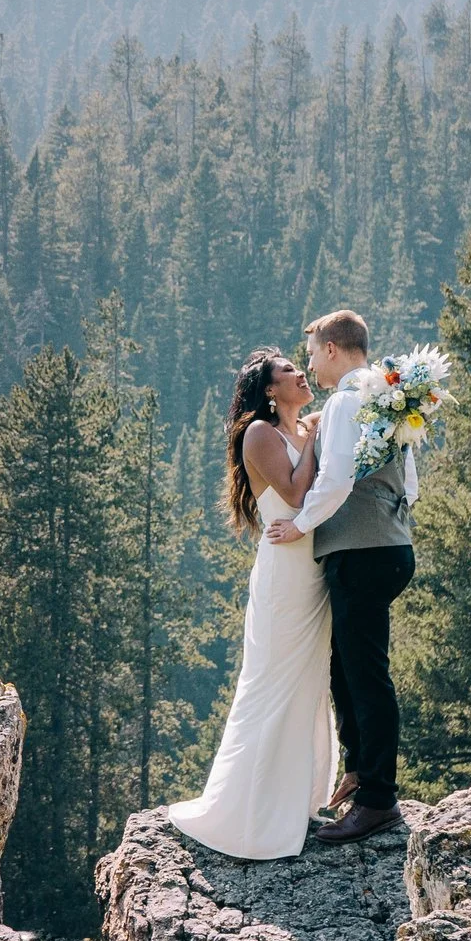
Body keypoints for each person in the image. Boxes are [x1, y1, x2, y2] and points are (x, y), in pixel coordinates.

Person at [165, 348, 338, 859]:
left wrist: (313, 432)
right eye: (288, 370)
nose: (300, 372)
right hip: (285, 571)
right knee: (272, 680)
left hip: (314, 567)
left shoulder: (302, 428)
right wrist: (313, 439)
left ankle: (294, 800)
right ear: (268, 390)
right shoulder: (259, 434)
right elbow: (295, 491)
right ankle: (247, 812)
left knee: (308, 680)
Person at [266, 309, 415, 844]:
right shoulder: (381, 395)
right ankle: (360, 768)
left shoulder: (350, 401)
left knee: (366, 675)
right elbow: (409, 475)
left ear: (332, 348)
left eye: (310, 354)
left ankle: (378, 800)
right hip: (386, 544)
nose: (309, 364)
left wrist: (300, 524)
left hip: (362, 551)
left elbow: (334, 480)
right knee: (345, 668)